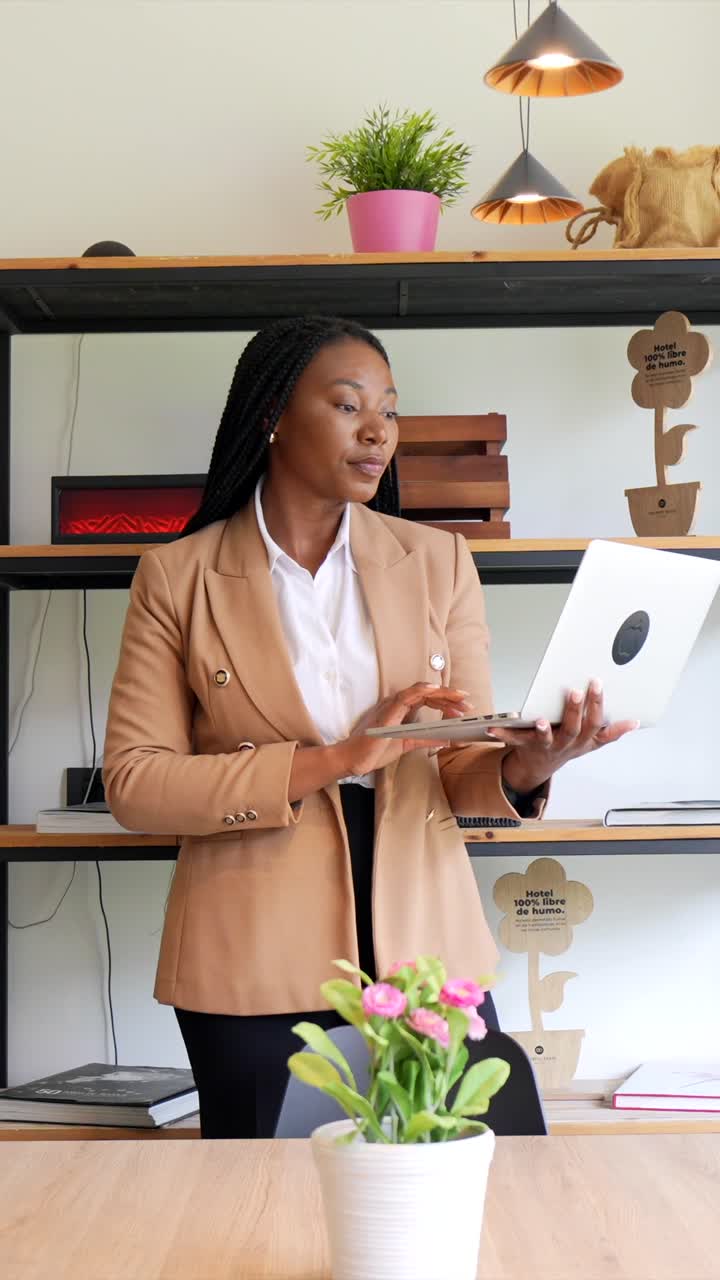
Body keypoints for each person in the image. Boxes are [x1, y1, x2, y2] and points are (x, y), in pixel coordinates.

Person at [103, 315, 635, 1138]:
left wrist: (528, 767)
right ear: (274, 414)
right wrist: (343, 756)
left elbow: (462, 768)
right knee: (264, 1214)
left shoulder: (438, 561)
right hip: (247, 953)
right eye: (349, 405)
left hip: (427, 945)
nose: (379, 430)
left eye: (390, 407)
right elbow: (136, 784)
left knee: (479, 1186)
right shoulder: (179, 575)